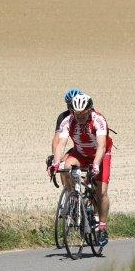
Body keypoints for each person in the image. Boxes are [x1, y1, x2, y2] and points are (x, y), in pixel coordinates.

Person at [54, 93, 114, 235]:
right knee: (66, 167)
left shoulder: (98, 120)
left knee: (101, 192)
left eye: (83, 114)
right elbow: (60, 144)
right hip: (80, 153)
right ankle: (73, 197)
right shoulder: (67, 121)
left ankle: (103, 225)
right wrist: (56, 164)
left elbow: (101, 146)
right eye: (76, 114)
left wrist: (96, 165)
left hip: (100, 154)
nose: (79, 117)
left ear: (90, 110)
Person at [52, 88, 82, 160]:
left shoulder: (90, 115)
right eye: (69, 105)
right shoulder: (63, 116)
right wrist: (55, 158)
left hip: (93, 148)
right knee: (62, 163)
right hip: (78, 149)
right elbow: (57, 139)